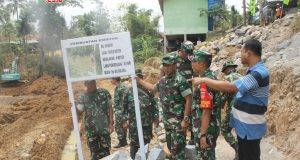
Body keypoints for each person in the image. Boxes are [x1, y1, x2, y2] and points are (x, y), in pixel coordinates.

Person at [190, 39, 269, 160]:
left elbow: (231, 87)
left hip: (250, 129)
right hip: (245, 129)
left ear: (248, 53)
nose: (240, 55)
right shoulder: (253, 71)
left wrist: (204, 80)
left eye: (241, 52)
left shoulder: (259, 73)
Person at [137, 53, 192, 159]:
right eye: (164, 65)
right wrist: (139, 81)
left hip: (178, 122)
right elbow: (153, 88)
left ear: (175, 65)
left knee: (178, 150)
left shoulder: (180, 80)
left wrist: (185, 119)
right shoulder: (163, 80)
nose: (166, 68)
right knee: (171, 148)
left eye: (169, 65)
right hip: (168, 122)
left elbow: (189, 99)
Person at [189, 50, 222, 160]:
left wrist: (203, 135)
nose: (192, 64)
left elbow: (206, 110)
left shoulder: (205, 82)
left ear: (202, 64)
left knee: (205, 157)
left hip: (206, 130)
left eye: (194, 61)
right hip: (206, 127)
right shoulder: (205, 78)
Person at [122, 69, 159, 159]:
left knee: (145, 143)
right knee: (134, 144)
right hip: (133, 124)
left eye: (139, 77)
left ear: (141, 78)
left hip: (146, 123)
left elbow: (154, 105)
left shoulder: (148, 91)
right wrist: (124, 120)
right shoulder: (127, 91)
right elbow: (124, 108)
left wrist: (156, 118)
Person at [77, 80, 114, 160]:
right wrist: (73, 105)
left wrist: (111, 123)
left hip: (104, 128)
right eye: (89, 84)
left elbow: (110, 107)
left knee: (106, 151)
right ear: (85, 85)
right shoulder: (82, 97)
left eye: (93, 83)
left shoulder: (104, 93)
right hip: (91, 130)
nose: (92, 85)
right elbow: (80, 111)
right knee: (94, 152)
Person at [220, 60, 241, 159]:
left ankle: (238, 149)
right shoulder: (243, 77)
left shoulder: (228, 78)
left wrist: (220, 104)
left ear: (227, 69)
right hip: (246, 108)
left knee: (224, 129)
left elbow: (223, 96)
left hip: (234, 107)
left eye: (224, 71)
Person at [111, 77, 128, 148]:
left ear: (115, 79)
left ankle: (122, 142)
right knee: (120, 126)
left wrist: (124, 114)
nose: (110, 81)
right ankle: (123, 141)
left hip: (121, 111)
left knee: (118, 127)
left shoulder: (121, 87)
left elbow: (125, 101)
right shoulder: (118, 87)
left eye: (111, 79)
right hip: (119, 111)